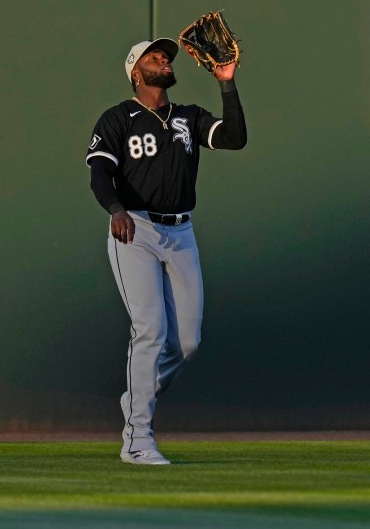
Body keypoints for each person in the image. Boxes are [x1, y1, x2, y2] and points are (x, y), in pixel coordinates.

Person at [85, 38, 246, 464]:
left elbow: (234, 138)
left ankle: (137, 398)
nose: (164, 59)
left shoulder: (188, 117)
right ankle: (137, 439)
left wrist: (227, 84)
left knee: (187, 343)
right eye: (154, 56)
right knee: (150, 329)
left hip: (181, 233)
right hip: (133, 230)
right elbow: (100, 171)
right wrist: (115, 209)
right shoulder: (119, 118)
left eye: (166, 56)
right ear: (136, 73)